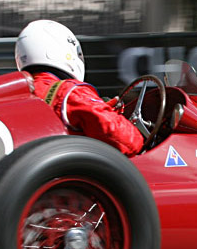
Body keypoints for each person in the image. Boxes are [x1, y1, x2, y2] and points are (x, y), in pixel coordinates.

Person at [15, 20, 144, 156]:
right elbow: (127, 142)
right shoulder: (68, 92)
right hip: (69, 173)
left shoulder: (18, 93)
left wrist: (106, 109)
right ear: (58, 51)